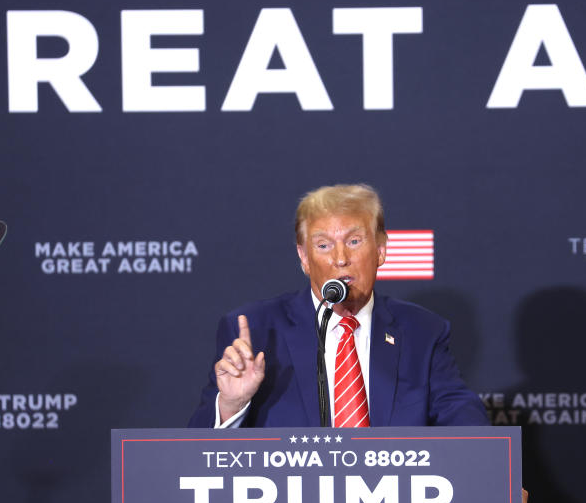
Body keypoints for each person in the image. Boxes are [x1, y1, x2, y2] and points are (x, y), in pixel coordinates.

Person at [188, 183, 489, 430]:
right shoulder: (257, 330)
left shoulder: (422, 331)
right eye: (323, 245)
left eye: (354, 241)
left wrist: (495, 476)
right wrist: (231, 405)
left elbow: (460, 413)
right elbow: (195, 455)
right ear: (304, 258)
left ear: (381, 250)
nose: (340, 258)